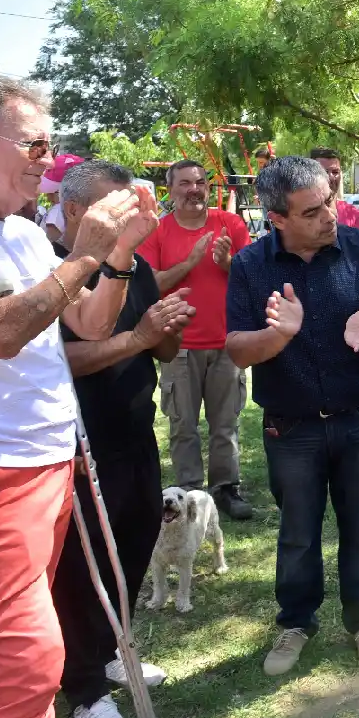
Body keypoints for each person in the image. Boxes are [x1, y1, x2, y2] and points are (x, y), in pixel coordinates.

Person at [0, 75, 152, 718]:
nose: (48, 159)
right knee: (26, 658)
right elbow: (0, 332)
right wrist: (82, 257)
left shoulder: (24, 236)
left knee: (13, 645)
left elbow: (89, 324)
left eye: (50, 145)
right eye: (32, 144)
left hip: (52, 463)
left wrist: (121, 255)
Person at [225, 156, 359, 676]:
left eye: (329, 200)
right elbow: (238, 349)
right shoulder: (251, 266)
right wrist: (278, 335)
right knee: (299, 530)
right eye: (312, 211)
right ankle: (296, 623)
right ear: (277, 218)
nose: (329, 215)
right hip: (292, 425)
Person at [49, 161, 195, 718]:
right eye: (117, 209)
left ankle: (111, 652)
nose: (130, 221)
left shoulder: (137, 268)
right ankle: (84, 688)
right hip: (83, 443)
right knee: (81, 570)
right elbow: (68, 357)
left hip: (137, 432)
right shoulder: (56, 273)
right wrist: (138, 336)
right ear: (75, 211)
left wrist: (166, 327)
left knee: (134, 546)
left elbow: (158, 352)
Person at [139, 160, 253, 520]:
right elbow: (149, 285)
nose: (194, 189)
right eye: (185, 183)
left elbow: (252, 278)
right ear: (169, 190)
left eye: (200, 182)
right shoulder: (157, 231)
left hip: (226, 343)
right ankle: (190, 492)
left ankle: (226, 488)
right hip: (178, 346)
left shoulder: (230, 224)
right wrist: (190, 262)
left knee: (226, 425)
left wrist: (228, 263)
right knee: (182, 425)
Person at [310, 147, 359, 230]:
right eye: (324, 172)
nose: (330, 177)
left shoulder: (355, 216)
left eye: (335, 172)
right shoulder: (300, 214)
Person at [39, 153, 85, 241]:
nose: (48, 196)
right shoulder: (78, 208)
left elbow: (49, 240)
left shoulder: (57, 211)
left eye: (52, 192)